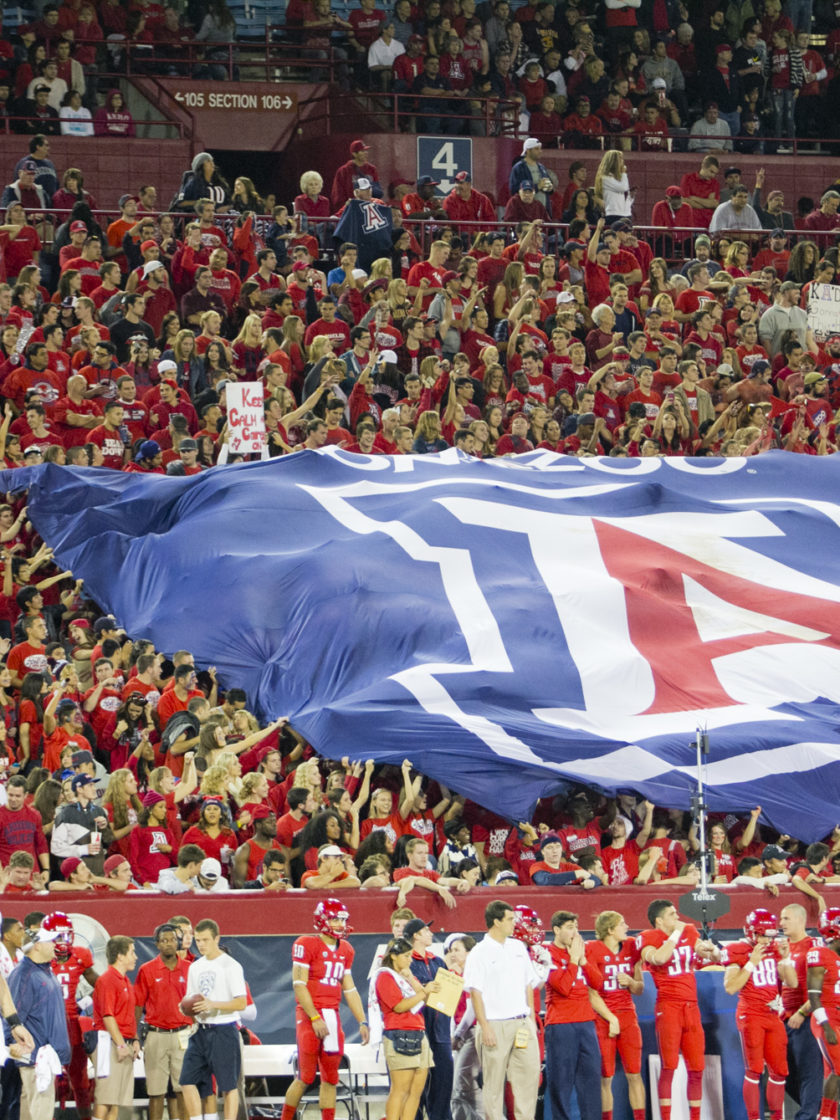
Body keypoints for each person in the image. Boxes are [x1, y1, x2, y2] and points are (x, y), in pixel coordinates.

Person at [281, 899, 369, 1120]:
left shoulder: (346, 949)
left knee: (331, 1077)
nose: (340, 924)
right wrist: (314, 1017)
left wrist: (362, 1021)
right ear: (322, 920)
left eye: (342, 919)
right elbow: (299, 985)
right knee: (306, 1076)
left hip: (332, 1014)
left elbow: (350, 989)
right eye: (334, 919)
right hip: (310, 1013)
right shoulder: (306, 943)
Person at [637, 898, 720, 1120]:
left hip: (691, 1007)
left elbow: (709, 955)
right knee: (669, 1066)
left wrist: (712, 950)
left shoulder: (688, 931)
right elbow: (659, 958)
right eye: (672, 914)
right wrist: (675, 934)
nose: (678, 918)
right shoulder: (648, 937)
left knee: (697, 1067)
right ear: (659, 920)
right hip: (668, 1007)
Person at [462, 900, 540, 1120]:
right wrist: (484, 1026)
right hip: (494, 1025)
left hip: (522, 1023)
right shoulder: (479, 952)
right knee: (493, 1084)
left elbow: (528, 985)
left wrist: (531, 1019)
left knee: (529, 1078)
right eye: (510, 919)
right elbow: (475, 992)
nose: (514, 923)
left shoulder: (518, 948)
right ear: (496, 922)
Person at [179, 918, 247, 1120]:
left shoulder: (231, 966)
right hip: (200, 1031)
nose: (200, 944)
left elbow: (241, 1003)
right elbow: (191, 998)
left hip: (223, 1030)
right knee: (186, 1081)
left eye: (205, 940)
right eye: (198, 940)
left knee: (228, 1085)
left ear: (217, 938)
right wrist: (185, 1008)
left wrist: (213, 1004)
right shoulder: (195, 967)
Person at [724, 909, 788, 1120]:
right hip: (751, 1014)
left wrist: (786, 959)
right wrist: (751, 962)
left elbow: (792, 982)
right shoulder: (737, 950)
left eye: (770, 936)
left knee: (780, 1070)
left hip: (772, 1014)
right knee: (754, 1069)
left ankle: (777, 1117)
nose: (767, 941)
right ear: (751, 932)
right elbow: (731, 987)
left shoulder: (776, 949)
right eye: (763, 935)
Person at [543, 910, 602, 1120]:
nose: (575, 932)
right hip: (561, 1024)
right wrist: (574, 960)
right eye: (569, 928)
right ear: (556, 930)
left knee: (591, 1080)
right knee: (561, 1082)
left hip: (586, 1022)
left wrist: (583, 960)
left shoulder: (580, 951)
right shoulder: (546, 953)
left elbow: (598, 983)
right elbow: (563, 987)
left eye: (576, 927)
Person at [587, 911, 645, 1120]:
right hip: (603, 1017)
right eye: (622, 924)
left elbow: (639, 989)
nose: (627, 927)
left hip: (628, 1015)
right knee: (606, 1077)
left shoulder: (631, 946)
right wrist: (611, 1018)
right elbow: (591, 994)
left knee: (635, 1073)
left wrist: (631, 982)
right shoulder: (592, 949)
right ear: (610, 929)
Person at [8, 918, 67, 1120]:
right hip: (36, 1058)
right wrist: (13, 1046)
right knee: (40, 1112)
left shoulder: (44, 972)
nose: (54, 944)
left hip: (44, 1056)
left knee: (31, 1111)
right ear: (37, 946)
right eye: (49, 941)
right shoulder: (24, 975)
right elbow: (12, 1015)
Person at [374, 936, 436, 1120]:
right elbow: (399, 1006)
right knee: (400, 1090)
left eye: (410, 956)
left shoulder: (406, 976)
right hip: (399, 1034)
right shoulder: (385, 976)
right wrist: (424, 991)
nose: (410, 960)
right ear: (394, 956)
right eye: (406, 956)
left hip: (419, 1032)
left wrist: (411, 978)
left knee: (416, 1091)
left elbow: (425, 998)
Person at [134, 924, 192, 1120]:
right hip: (156, 1035)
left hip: (183, 1034)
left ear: (178, 942)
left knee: (183, 1089)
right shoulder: (146, 970)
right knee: (155, 1092)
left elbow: (196, 1003)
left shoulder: (189, 969)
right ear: (157, 944)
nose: (168, 944)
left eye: (172, 940)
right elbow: (138, 1004)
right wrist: (134, 1035)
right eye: (164, 940)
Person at [48, 912, 97, 1120]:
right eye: (57, 936)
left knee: (80, 1079)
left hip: (71, 1024)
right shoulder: (40, 957)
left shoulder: (80, 956)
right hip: (48, 1025)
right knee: (46, 1078)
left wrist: (84, 1003)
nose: (62, 941)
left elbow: (100, 985)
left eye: (65, 935)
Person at [778, 901, 824, 1120]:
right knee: (783, 1074)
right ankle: (819, 1111)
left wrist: (803, 1013)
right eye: (781, 918)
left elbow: (821, 987)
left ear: (800, 919)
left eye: (786, 918)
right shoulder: (782, 947)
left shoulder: (814, 947)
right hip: (784, 1018)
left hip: (807, 1019)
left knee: (809, 1072)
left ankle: (807, 1116)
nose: (781, 923)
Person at [405, 918, 452, 1120]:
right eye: (426, 930)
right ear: (416, 935)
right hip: (416, 1031)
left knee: (443, 1082)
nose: (431, 933)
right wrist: (425, 989)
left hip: (440, 1031)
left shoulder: (438, 961)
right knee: (415, 1088)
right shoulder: (405, 961)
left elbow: (448, 996)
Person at [92, 936, 140, 1120]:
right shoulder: (107, 980)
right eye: (132, 952)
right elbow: (108, 1016)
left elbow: (128, 1016)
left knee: (118, 1101)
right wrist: (120, 1045)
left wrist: (134, 1039)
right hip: (109, 1044)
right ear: (120, 956)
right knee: (105, 1098)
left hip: (124, 1043)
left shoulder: (125, 981)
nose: (135, 957)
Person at [804, 907, 840, 1120]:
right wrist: (826, 1026)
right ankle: (825, 1116)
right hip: (826, 1017)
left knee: (833, 1070)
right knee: (839, 1068)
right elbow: (813, 996)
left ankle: (831, 1116)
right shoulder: (820, 955)